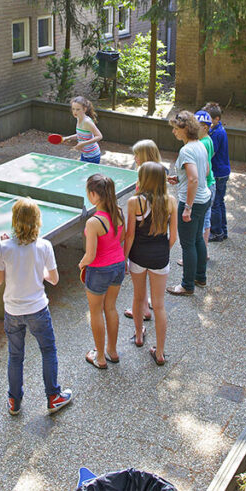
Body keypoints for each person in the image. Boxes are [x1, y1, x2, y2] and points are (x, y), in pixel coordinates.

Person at [0, 198, 74, 415]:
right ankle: (53, 396)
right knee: (48, 350)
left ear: (14, 220)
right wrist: (40, 273)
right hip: (38, 309)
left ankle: (14, 401)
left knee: (15, 355)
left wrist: (2, 252)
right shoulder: (44, 246)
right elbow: (54, 279)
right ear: (37, 221)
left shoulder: (3, 247)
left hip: (12, 311)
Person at [123, 162, 178, 366]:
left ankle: (138, 336)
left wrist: (124, 258)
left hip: (138, 255)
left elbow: (130, 236)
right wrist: (163, 251)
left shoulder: (133, 202)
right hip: (160, 258)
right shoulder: (171, 201)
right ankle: (160, 352)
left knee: (138, 298)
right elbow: (173, 237)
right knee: (159, 304)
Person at [78, 174, 125, 369]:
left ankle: (99, 358)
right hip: (119, 266)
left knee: (96, 312)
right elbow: (120, 239)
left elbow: (90, 255)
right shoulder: (120, 212)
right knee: (111, 308)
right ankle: (112, 351)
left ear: (95, 195)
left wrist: (81, 265)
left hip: (99, 270)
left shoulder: (94, 222)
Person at [166, 111, 212, 296]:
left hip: (192, 202)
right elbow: (206, 170)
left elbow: (194, 179)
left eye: (176, 129)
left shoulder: (186, 150)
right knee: (198, 239)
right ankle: (200, 277)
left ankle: (187, 285)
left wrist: (188, 207)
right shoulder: (200, 144)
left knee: (187, 244)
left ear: (185, 129)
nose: (174, 132)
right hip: (205, 198)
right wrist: (180, 178)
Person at [123, 139, 165, 321]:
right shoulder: (160, 170)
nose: (134, 158)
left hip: (141, 236)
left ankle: (141, 311)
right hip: (158, 235)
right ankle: (146, 306)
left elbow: (130, 232)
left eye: (137, 155)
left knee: (138, 287)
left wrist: (124, 254)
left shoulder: (143, 172)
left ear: (145, 157)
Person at [203, 102, 231, 242]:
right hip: (222, 171)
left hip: (219, 173)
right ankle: (223, 230)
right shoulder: (217, 131)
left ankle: (217, 232)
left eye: (209, 119)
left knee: (215, 203)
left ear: (217, 119)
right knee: (220, 202)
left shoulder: (217, 133)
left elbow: (210, 153)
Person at [195, 110, 216, 244]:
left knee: (199, 222)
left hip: (205, 185)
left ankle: (199, 252)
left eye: (197, 126)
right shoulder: (208, 140)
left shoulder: (202, 143)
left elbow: (205, 169)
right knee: (206, 219)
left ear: (205, 127)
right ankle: (205, 251)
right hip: (210, 184)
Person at [63, 96, 103, 163]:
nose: (75, 112)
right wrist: (68, 138)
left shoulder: (87, 122)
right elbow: (81, 135)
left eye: (78, 109)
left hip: (93, 156)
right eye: (73, 109)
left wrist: (83, 144)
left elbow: (99, 136)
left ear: (84, 109)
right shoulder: (78, 118)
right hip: (84, 155)